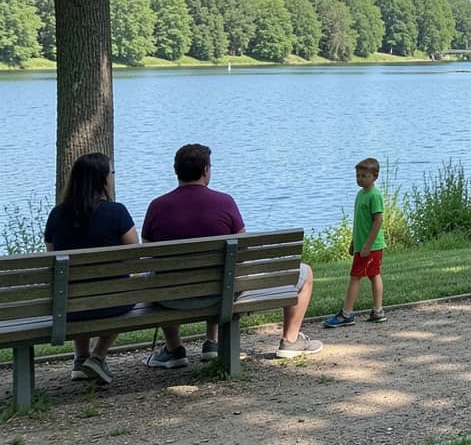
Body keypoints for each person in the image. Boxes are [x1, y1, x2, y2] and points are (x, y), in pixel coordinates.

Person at [143, 144, 321, 366]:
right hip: (220, 294)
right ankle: (290, 340)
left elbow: (149, 258)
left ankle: (174, 349)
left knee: (161, 275)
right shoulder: (224, 202)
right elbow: (242, 252)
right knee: (305, 273)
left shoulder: (157, 206)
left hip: (172, 296)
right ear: (206, 170)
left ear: (176, 170)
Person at [44, 153, 139, 384]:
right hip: (112, 303)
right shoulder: (117, 212)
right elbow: (135, 254)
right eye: (112, 172)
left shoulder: (57, 215)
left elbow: (52, 257)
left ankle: (80, 358)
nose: (113, 177)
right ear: (102, 179)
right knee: (125, 288)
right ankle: (97, 356)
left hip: (68, 305)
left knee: (78, 287)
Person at [323, 158, 387, 327]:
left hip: (371, 246)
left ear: (375, 176)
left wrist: (367, 245)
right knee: (372, 275)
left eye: (364, 176)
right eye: (357, 175)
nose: (360, 179)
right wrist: (354, 241)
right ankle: (377, 310)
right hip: (362, 244)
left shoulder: (374, 195)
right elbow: (360, 222)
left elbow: (378, 221)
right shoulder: (360, 194)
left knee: (356, 277)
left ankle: (347, 313)